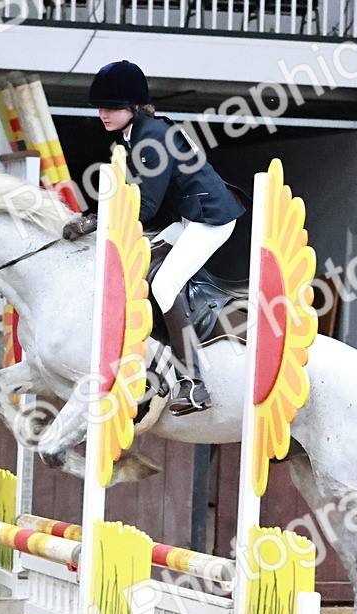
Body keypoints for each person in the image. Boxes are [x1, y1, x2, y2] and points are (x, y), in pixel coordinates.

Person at [63, 60, 244, 416]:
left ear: (133, 106)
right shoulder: (137, 133)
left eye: (112, 107)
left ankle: (194, 384)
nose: (103, 113)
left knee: (163, 284)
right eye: (100, 107)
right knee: (139, 272)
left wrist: (95, 222)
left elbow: (144, 207)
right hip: (189, 217)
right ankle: (153, 362)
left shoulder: (153, 137)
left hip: (210, 220)